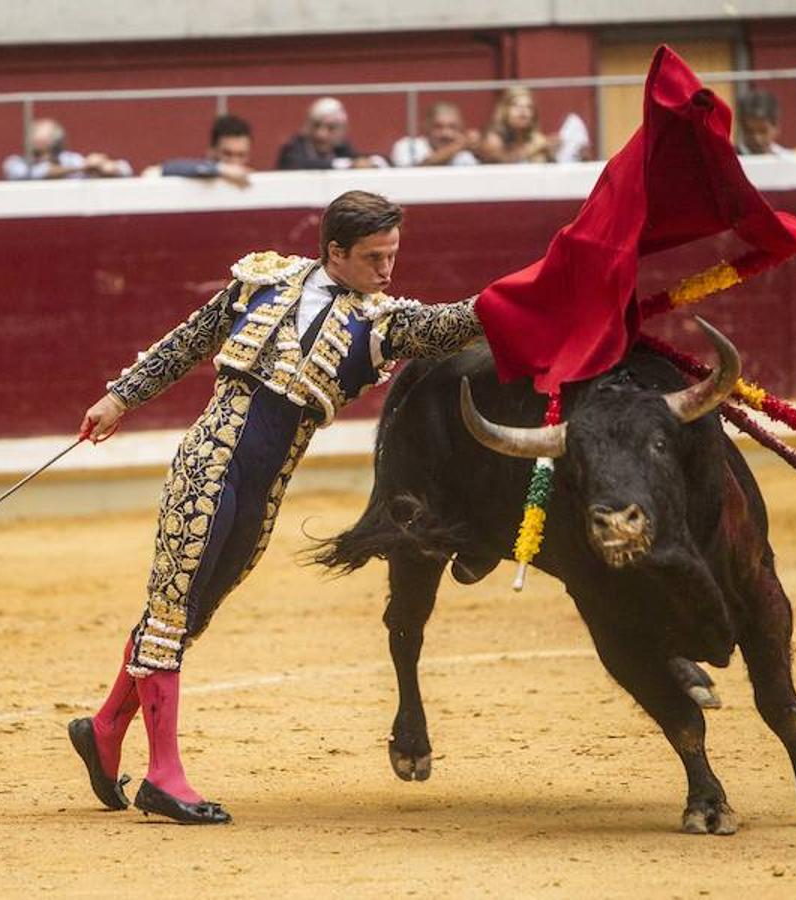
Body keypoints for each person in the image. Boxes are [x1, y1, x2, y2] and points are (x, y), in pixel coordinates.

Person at [70, 191, 488, 824]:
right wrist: (119, 399)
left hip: (264, 492)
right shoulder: (259, 283)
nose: (387, 270)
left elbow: (451, 325)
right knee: (169, 611)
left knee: (190, 614)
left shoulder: (380, 323)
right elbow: (188, 342)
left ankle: (104, 728)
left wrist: (527, 293)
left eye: (393, 255)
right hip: (209, 462)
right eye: (374, 256)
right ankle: (163, 774)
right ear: (335, 252)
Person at [275, 97, 386, 170]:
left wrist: (371, 162)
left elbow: (358, 159)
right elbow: (298, 165)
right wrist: (348, 165)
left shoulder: (341, 147)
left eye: (331, 128)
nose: (321, 134)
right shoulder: (293, 147)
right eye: (316, 125)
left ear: (342, 130)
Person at [2, 118, 132, 180]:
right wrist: (81, 168)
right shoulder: (15, 162)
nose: (31, 139)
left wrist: (103, 167)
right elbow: (35, 174)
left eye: (39, 136)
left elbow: (126, 169)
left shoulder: (69, 159)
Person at [153, 114, 255, 187]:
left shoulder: (256, 180)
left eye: (241, 155)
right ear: (212, 151)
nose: (234, 162)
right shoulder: (199, 174)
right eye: (227, 154)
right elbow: (167, 168)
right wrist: (220, 169)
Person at [475, 86, 555, 164]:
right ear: (504, 110)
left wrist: (550, 150)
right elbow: (502, 164)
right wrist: (533, 148)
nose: (523, 111)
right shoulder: (493, 138)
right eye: (516, 105)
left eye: (529, 107)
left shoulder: (534, 138)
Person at [390, 101, 480, 167]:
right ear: (426, 126)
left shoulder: (466, 150)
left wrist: (482, 147)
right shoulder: (408, 145)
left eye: (452, 127)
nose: (446, 133)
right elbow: (415, 172)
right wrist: (459, 145)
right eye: (438, 127)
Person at [734, 90, 796, 157]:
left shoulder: (788, 159)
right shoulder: (731, 160)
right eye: (749, 131)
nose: (757, 138)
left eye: (763, 131)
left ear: (776, 127)